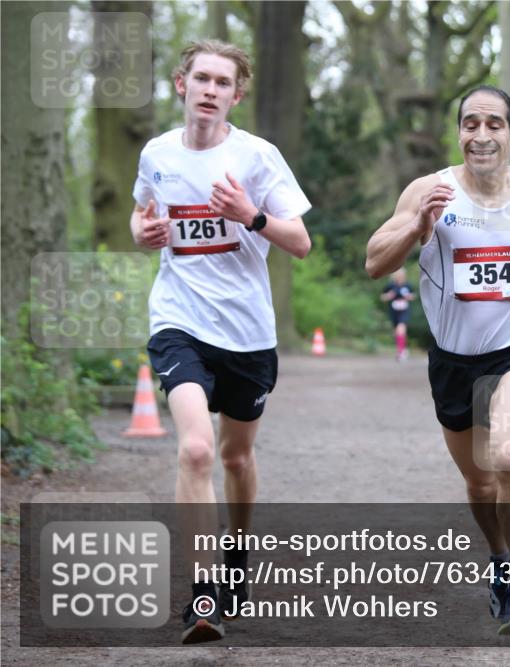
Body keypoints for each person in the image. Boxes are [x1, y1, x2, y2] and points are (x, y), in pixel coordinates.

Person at [365, 85, 510, 636]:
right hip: (453, 361)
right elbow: (375, 262)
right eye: (471, 124)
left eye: (494, 124)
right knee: (480, 485)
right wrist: (416, 226)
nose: (482, 135)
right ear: (460, 133)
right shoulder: (430, 190)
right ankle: (498, 557)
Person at [130, 39, 311, 644]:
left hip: (247, 333)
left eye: (223, 82)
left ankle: (236, 560)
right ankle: (202, 593)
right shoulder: (156, 153)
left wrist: (248, 214)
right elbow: (142, 214)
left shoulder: (258, 158)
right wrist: (145, 232)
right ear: (181, 85)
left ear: (237, 94)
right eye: (201, 78)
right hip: (178, 318)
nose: (210, 90)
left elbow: (300, 242)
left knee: (235, 457)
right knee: (197, 450)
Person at [380, 268, 416, 361]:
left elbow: (413, 296)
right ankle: (402, 349)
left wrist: (408, 297)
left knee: (401, 329)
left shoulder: (407, 285)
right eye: (397, 276)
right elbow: (382, 297)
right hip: (394, 311)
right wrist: (388, 296)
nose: (399, 277)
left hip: (404, 311)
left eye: (401, 275)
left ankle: (401, 352)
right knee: (396, 332)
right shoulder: (390, 286)